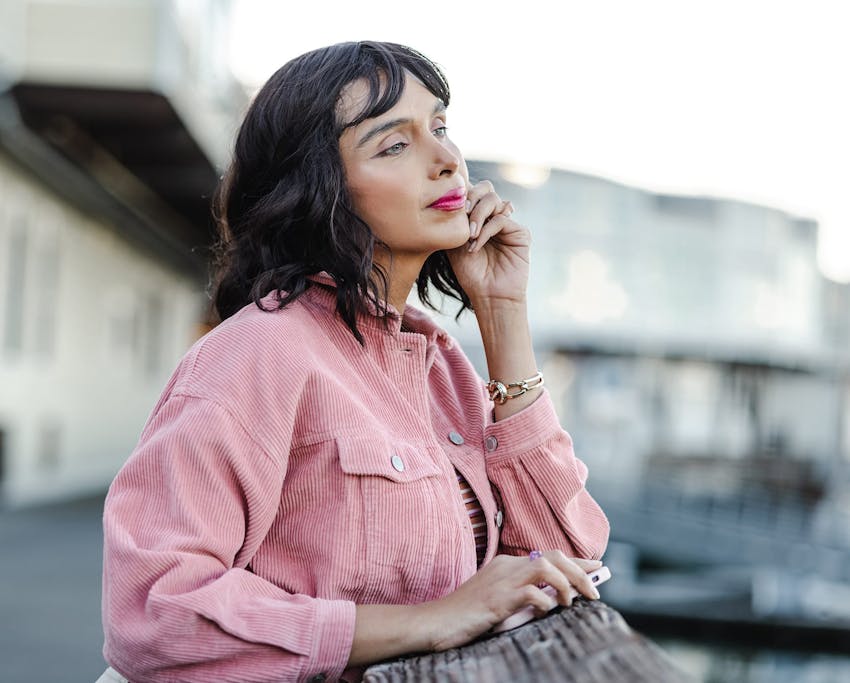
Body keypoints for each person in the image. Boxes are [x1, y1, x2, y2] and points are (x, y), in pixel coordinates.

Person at [99, 41, 610, 683]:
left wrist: (502, 311)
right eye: (394, 145)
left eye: (441, 128)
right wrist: (432, 619)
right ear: (321, 189)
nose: (448, 160)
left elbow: (563, 558)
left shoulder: (438, 367)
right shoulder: (257, 353)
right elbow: (155, 612)